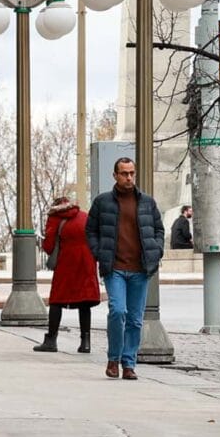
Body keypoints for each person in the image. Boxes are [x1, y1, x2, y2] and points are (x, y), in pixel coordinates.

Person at [86, 157, 166, 381]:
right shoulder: (103, 202)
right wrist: (98, 253)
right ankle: (113, 359)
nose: (129, 177)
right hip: (115, 268)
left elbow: (159, 230)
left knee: (135, 319)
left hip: (141, 269)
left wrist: (156, 251)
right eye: (124, 173)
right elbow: (90, 231)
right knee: (117, 310)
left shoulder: (147, 203)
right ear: (115, 175)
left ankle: (128, 364)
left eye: (132, 173)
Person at [35, 194, 100, 354]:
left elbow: (49, 246)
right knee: (84, 301)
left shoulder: (55, 218)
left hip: (66, 262)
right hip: (87, 262)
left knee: (57, 300)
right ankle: (85, 342)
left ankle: (51, 340)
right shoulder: (84, 215)